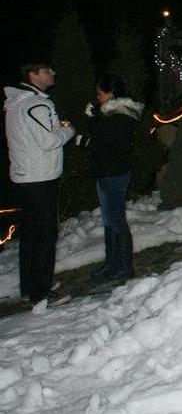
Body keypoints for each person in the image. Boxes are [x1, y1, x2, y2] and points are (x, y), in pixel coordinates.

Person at [4, 62, 75, 306]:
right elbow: (49, 141)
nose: (53, 73)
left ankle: (30, 286)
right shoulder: (38, 104)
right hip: (40, 178)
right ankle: (41, 295)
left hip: (24, 177)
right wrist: (69, 130)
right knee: (45, 236)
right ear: (33, 75)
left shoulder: (15, 103)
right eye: (47, 71)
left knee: (30, 235)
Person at [79, 73, 144, 283]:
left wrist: (86, 143)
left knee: (115, 220)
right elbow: (102, 135)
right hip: (106, 171)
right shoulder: (111, 113)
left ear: (111, 93)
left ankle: (124, 266)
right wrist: (92, 119)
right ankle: (112, 263)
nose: (97, 97)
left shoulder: (121, 116)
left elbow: (112, 147)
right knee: (109, 221)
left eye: (100, 93)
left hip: (114, 173)